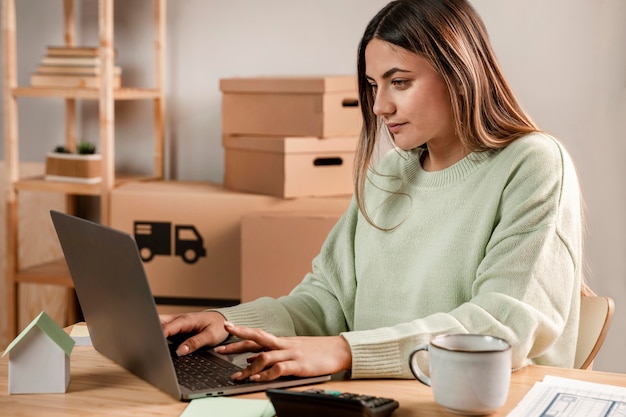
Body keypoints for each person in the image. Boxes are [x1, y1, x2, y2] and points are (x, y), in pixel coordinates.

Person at [161, 0, 583, 382]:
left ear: (460, 72)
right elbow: (326, 301)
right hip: (381, 398)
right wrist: (227, 323)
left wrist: (346, 350)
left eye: (399, 82)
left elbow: (498, 326)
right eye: (373, 85)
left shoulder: (533, 164)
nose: (380, 106)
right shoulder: (390, 173)